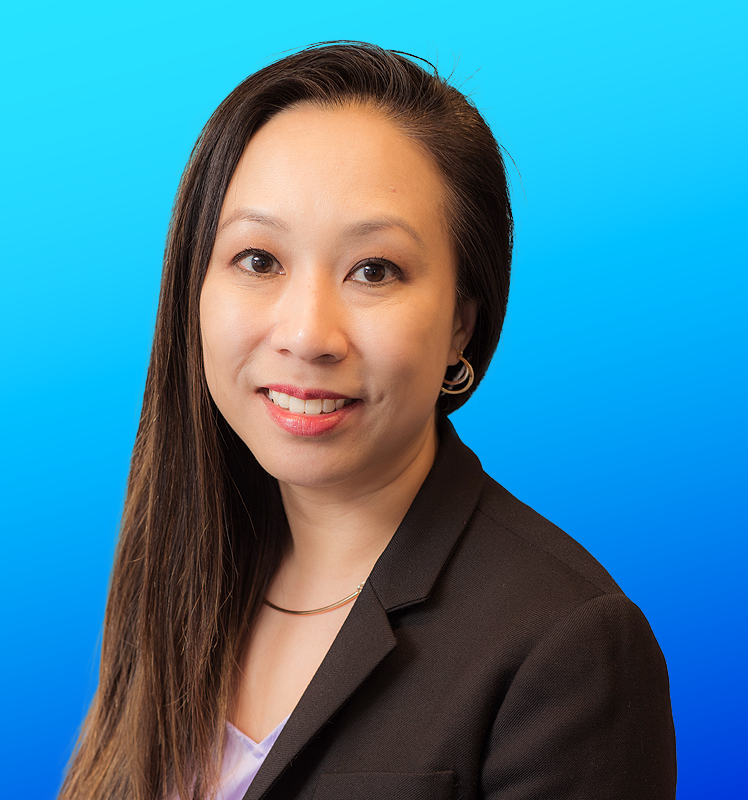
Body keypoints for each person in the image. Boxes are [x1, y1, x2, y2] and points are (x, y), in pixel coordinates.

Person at [58, 42, 676, 800]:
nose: (308, 334)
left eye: (374, 270)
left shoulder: (567, 646)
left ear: (461, 325)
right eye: (258, 260)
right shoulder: (182, 569)